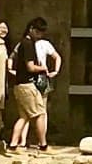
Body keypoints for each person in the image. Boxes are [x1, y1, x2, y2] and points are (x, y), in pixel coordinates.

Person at [7, 17, 61, 150]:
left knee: (24, 117)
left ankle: (13, 145)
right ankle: (43, 145)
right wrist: (43, 68)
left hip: (19, 85)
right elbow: (30, 67)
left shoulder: (22, 44)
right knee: (40, 114)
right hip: (27, 84)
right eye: (38, 32)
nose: (40, 35)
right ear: (31, 29)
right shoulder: (28, 44)